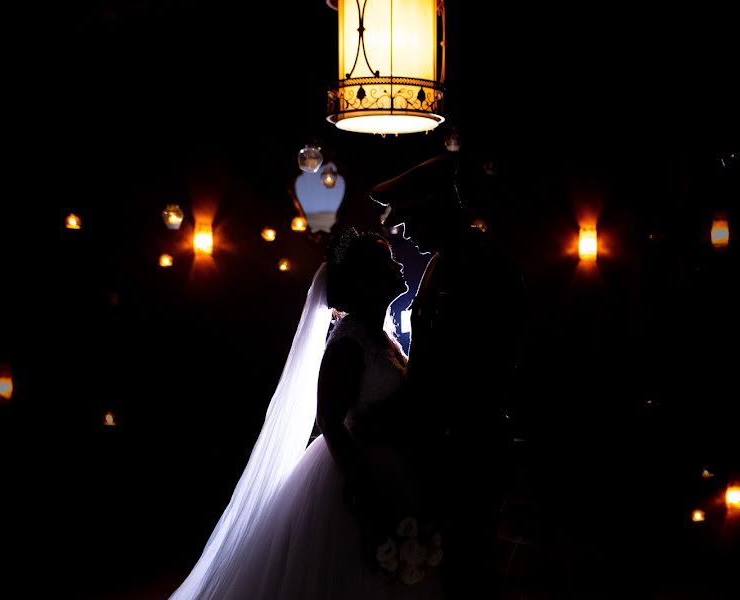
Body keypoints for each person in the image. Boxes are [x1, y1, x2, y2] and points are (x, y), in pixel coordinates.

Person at [169, 228, 444, 599]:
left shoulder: (381, 335)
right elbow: (329, 420)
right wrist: (364, 492)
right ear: (365, 281)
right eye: (385, 261)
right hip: (355, 472)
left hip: (392, 464)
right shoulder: (349, 341)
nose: (398, 265)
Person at [371, 154, 526, 599]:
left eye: (409, 221)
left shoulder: (481, 267)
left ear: (433, 209)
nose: (406, 233)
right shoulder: (445, 261)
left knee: (467, 574)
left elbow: (462, 372)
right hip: (444, 446)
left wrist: (389, 413)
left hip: (468, 448)